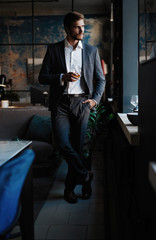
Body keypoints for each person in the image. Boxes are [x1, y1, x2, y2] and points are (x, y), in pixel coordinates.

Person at [38, 11, 106, 204]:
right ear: (67, 29)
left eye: (83, 26)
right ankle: (85, 175)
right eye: (77, 26)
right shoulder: (53, 49)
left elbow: (101, 79)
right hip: (61, 104)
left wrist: (94, 100)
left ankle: (73, 188)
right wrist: (61, 77)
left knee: (77, 147)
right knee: (61, 143)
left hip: (83, 103)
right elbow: (42, 77)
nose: (82, 30)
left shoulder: (91, 51)